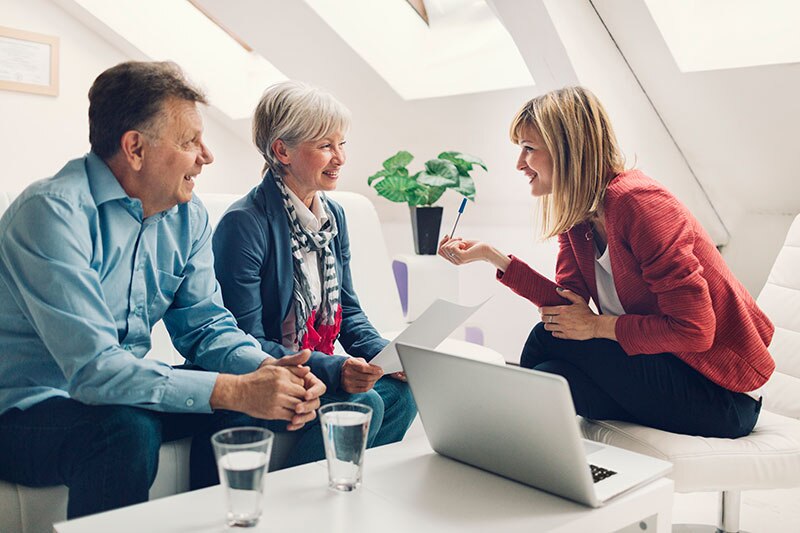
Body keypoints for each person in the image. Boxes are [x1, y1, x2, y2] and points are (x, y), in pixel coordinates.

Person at [0, 61, 325, 519]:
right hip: (24, 410)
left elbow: (208, 329)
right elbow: (97, 373)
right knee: (125, 428)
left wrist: (269, 371)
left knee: (249, 408)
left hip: (118, 390)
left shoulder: (186, 217)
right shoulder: (52, 214)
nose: (206, 155)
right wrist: (236, 390)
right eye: (190, 140)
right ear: (134, 148)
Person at [439, 86, 774, 438]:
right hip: (663, 370)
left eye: (529, 148)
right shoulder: (579, 217)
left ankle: (500, 440)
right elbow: (568, 310)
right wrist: (491, 256)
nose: (520, 164)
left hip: (720, 391)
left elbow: (695, 329)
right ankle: (529, 456)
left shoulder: (640, 204)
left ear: (566, 149)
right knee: (554, 368)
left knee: (546, 338)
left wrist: (598, 327)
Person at [212, 81, 416, 466]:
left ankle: (347, 492)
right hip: (264, 382)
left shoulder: (332, 216)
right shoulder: (245, 224)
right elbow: (246, 344)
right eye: (325, 146)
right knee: (363, 403)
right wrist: (337, 369)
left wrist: (389, 358)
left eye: (342, 144)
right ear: (282, 151)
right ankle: (300, 509)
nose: (340, 158)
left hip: (314, 374)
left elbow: (349, 313)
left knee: (404, 395)